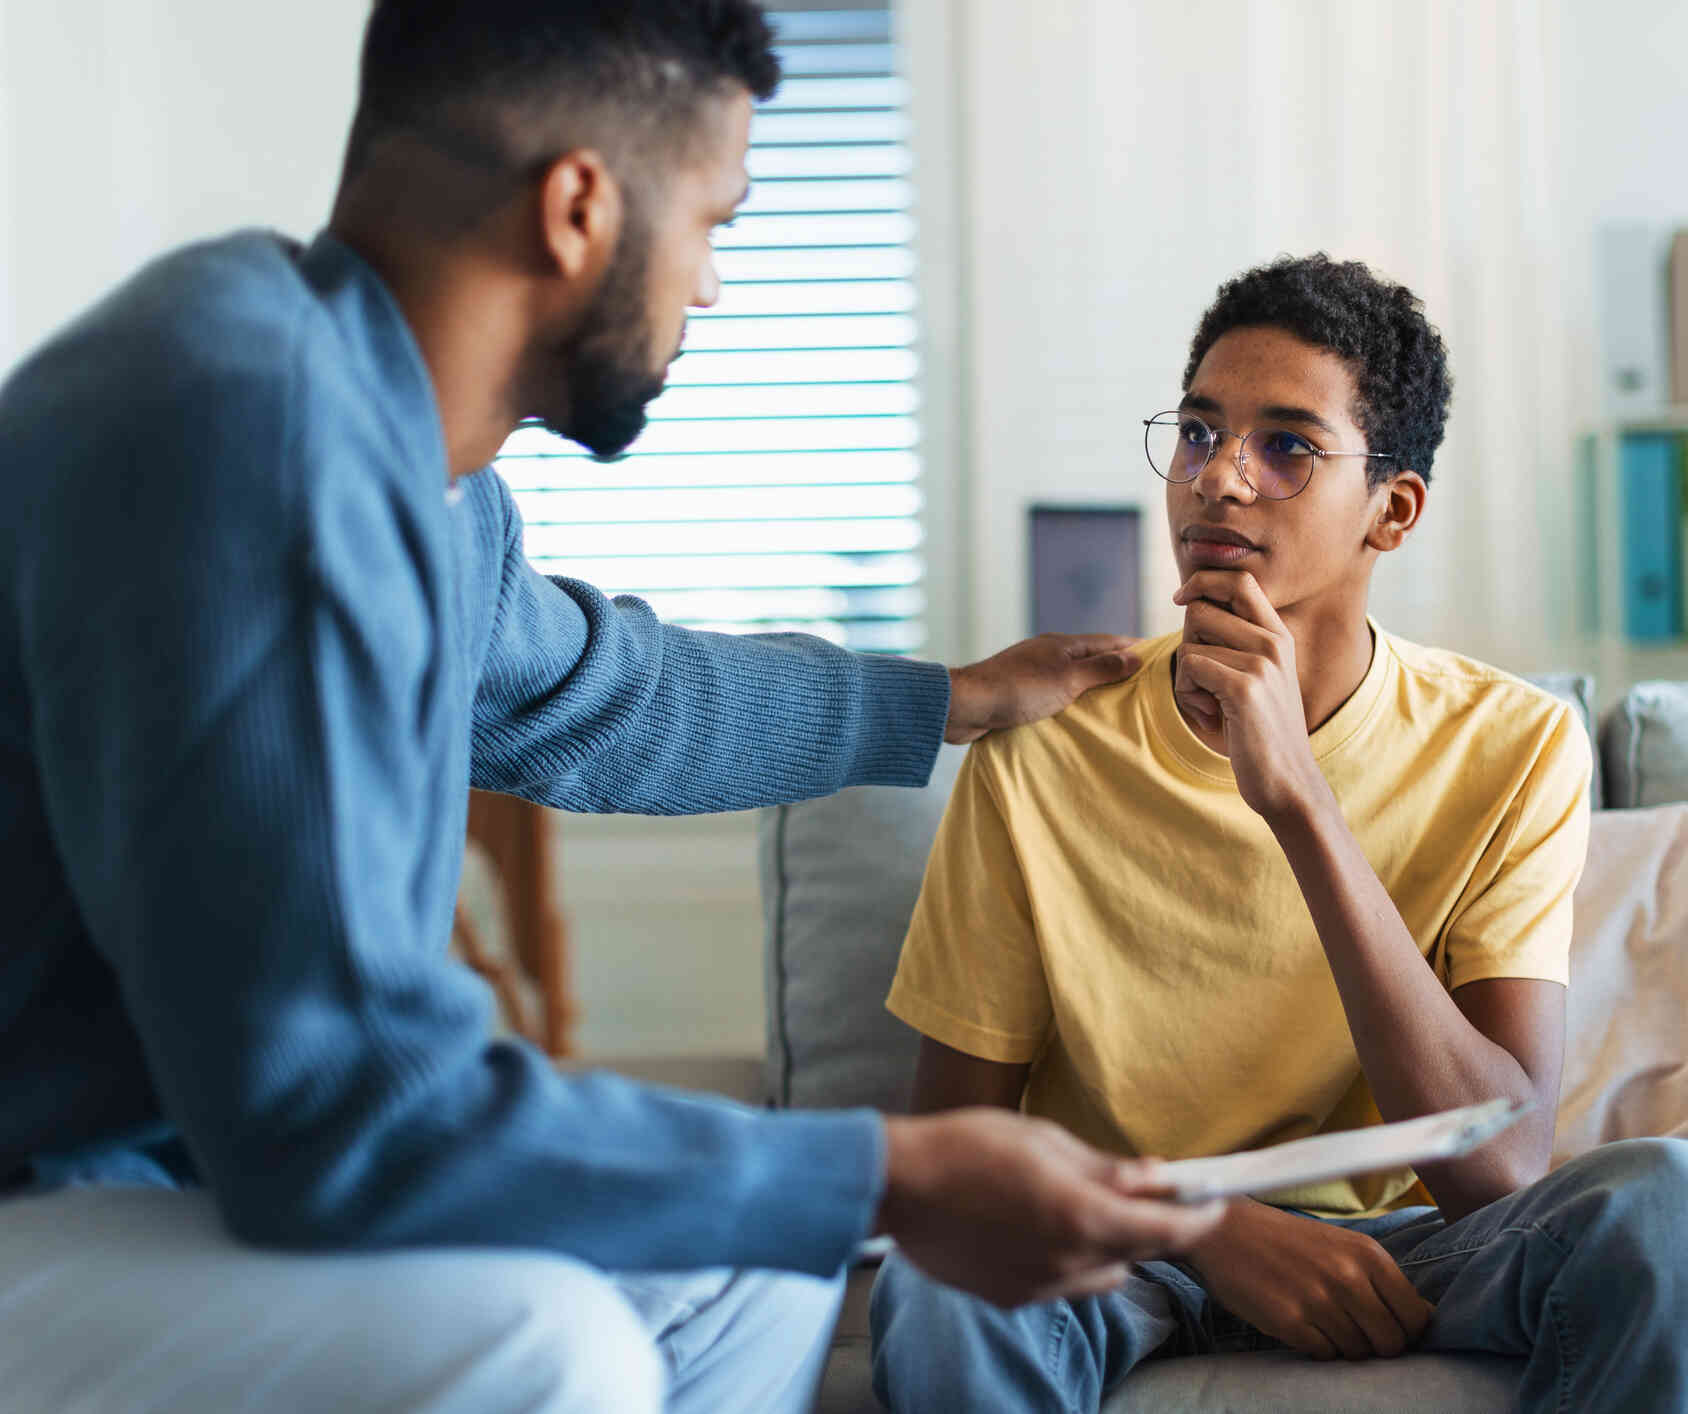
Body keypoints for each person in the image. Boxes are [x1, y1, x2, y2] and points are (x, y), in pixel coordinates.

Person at [0, 3, 1224, 1411]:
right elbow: (344, 1112)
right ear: (579, 207)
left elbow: (617, 696)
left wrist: (949, 700)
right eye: (712, 222)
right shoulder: (256, 433)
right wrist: (891, 1168)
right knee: (550, 1344)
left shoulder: (407, 462)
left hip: (163, 1178)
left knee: (755, 1266)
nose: (709, 288)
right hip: (40, 1195)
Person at [869, 254, 1688, 1413]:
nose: (1219, 482)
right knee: (943, 1286)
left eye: (1286, 445)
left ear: (1391, 510)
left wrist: (1299, 799)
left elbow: (1495, 1165)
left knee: (1672, 1201)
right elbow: (950, 1156)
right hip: (1118, 1242)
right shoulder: (1048, 740)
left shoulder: (1515, 744)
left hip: (1407, 1245)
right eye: (1199, 433)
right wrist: (1203, 1224)